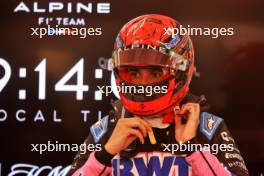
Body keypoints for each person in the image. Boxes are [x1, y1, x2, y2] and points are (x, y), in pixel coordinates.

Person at [67, 14, 249, 176]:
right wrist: (104, 155)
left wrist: (192, 148)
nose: (143, 84)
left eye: (155, 73)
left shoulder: (207, 127)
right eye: (134, 73)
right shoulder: (107, 129)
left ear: (182, 73)